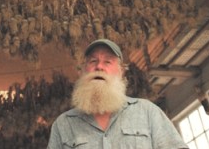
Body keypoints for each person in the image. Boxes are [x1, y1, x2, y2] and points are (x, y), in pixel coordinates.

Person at [47, 39, 189, 149]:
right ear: (83, 71)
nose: (99, 66)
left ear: (121, 72)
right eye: (93, 61)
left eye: (107, 61)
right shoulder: (63, 125)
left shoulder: (147, 112)